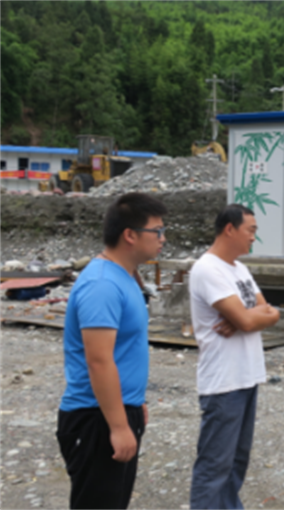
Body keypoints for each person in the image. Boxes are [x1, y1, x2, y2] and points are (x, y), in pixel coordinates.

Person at [57, 192, 168, 510]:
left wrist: (134, 403)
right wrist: (118, 426)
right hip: (96, 418)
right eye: (157, 231)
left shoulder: (125, 276)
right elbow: (98, 360)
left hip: (116, 408)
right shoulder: (102, 285)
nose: (163, 239)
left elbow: (124, 349)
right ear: (130, 235)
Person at [189, 204, 280, 510]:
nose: (254, 237)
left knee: (236, 462)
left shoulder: (239, 269)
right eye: (250, 231)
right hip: (223, 382)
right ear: (230, 229)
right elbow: (252, 319)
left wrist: (245, 317)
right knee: (215, 465)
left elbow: (271, 312)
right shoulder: (208, 269)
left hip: (246, 376)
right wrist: (247, 318)